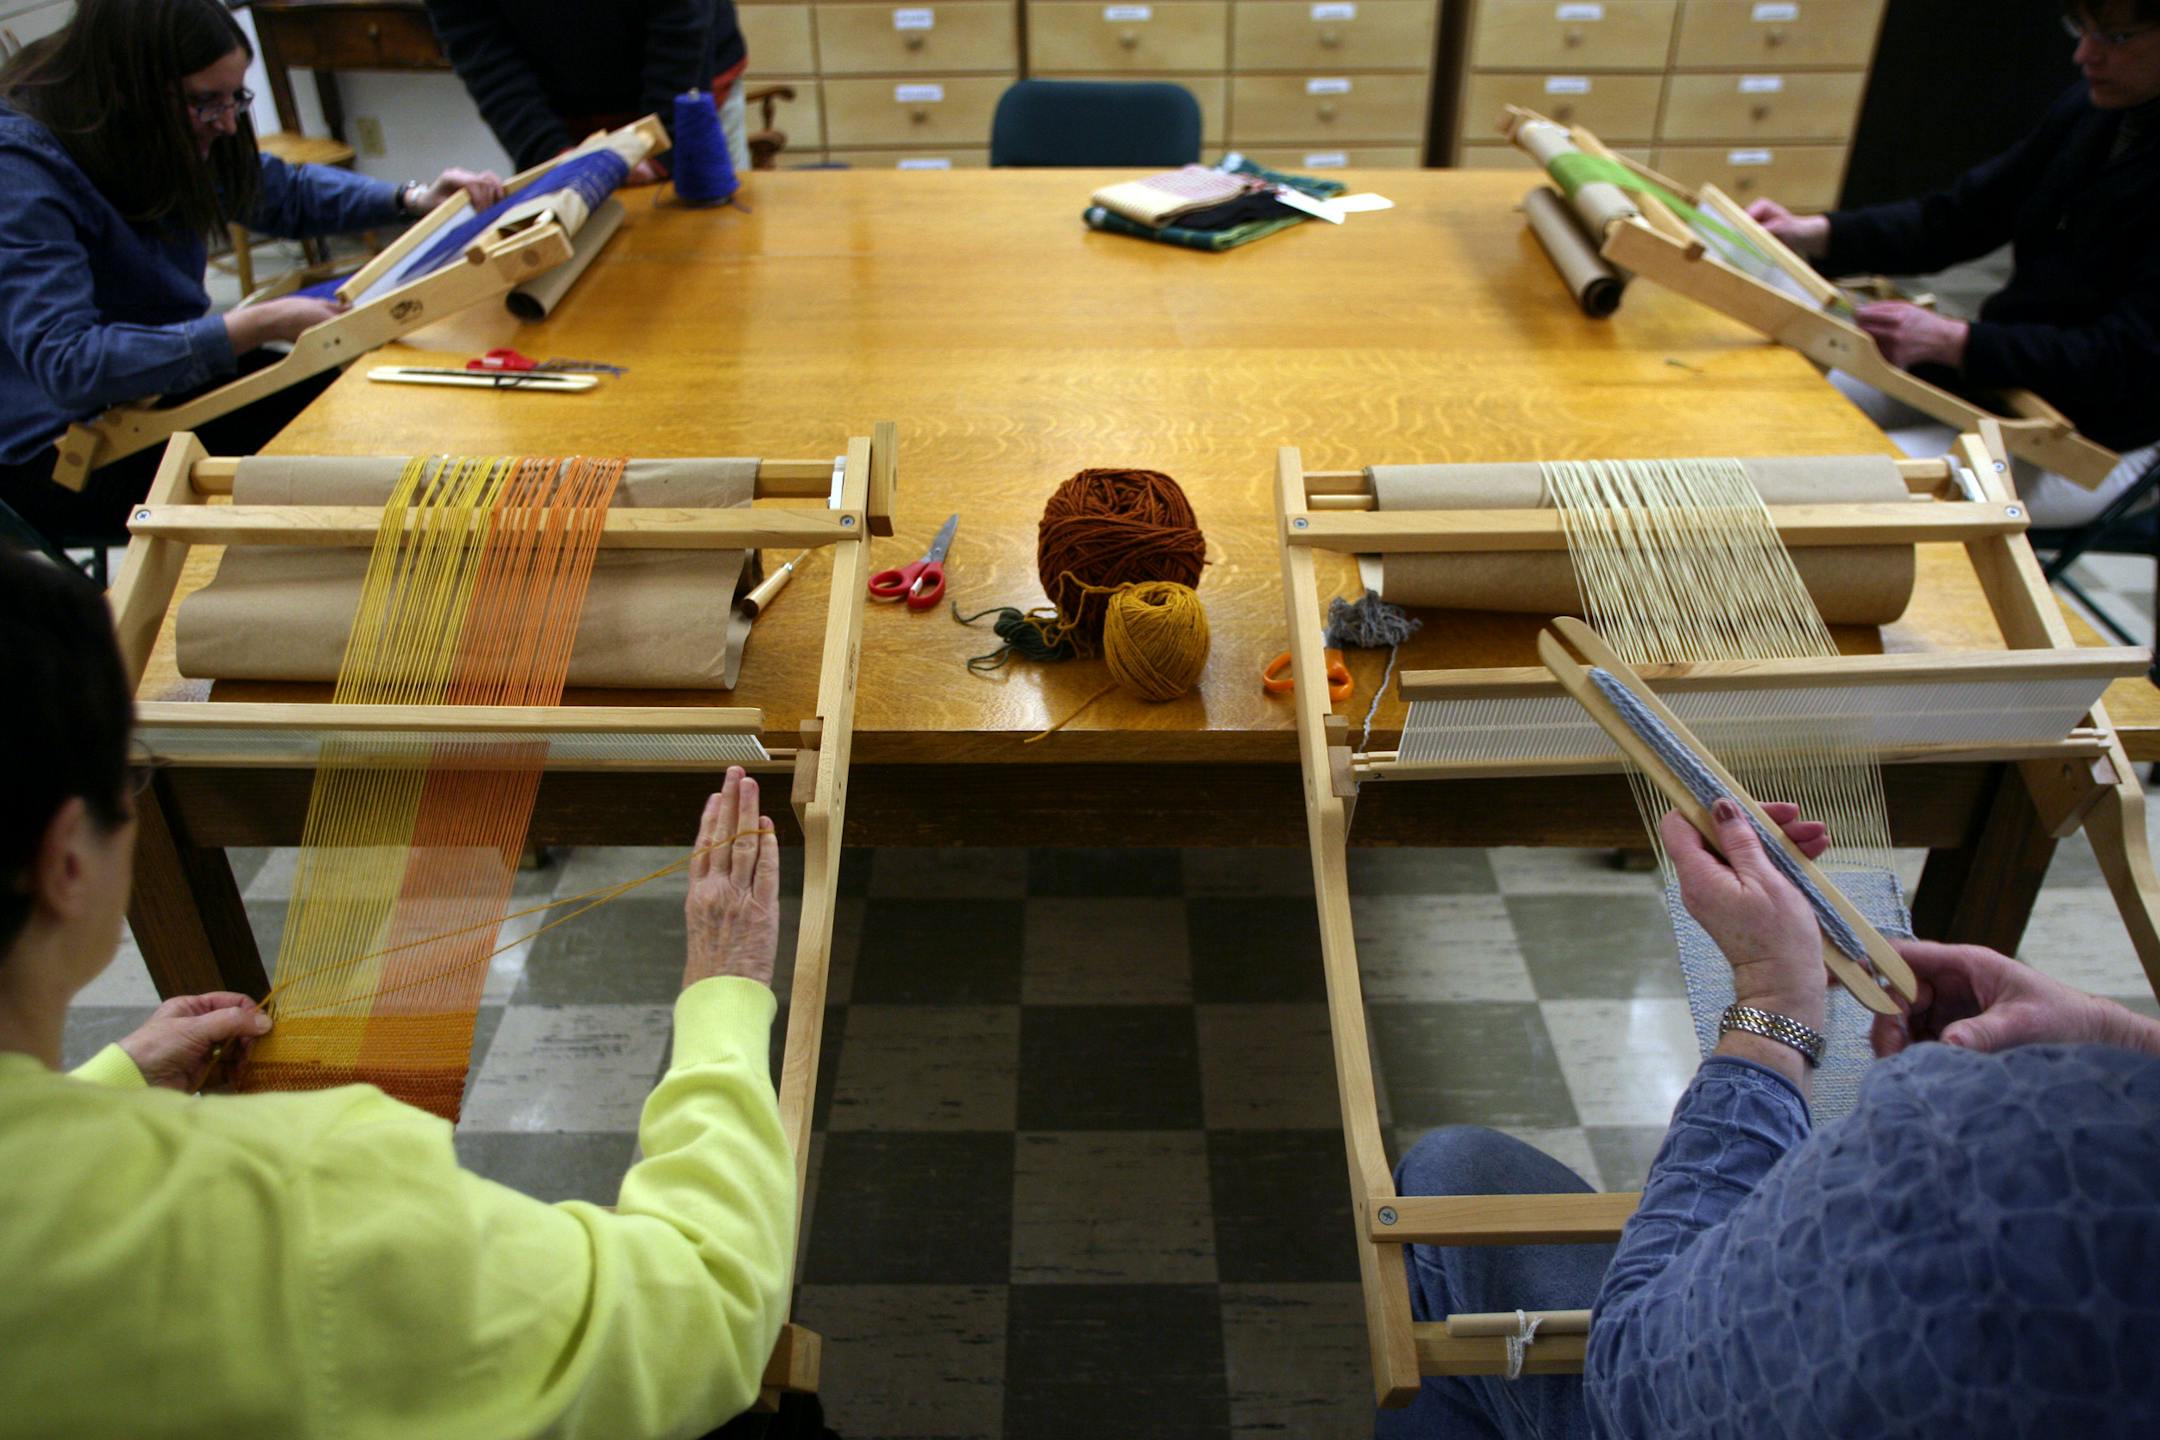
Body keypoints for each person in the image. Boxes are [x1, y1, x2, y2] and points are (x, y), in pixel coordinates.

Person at [0, 544, 797, 1438]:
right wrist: (723, 992)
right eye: (133, 780)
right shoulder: (300, 1201)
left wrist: (104, 1090)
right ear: (67, 860)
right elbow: (704, 1315)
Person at [1381, 798, 2160, 1438]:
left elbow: (1641, 1375)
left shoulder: (1996, 1157)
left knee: (1456, 1176)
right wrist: (2120, 1037)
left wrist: (1776, 999)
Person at [0, 0, 505, 544]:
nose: (224, 120)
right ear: (131, 89)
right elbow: (71, 363)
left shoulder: (159, 127)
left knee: (340, 400)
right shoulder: (22, 169)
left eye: (234, 98)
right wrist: (254, 325)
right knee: (322, 452)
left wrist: (411, 198)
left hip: (142, 401)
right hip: (58, 457)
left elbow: (277, 190)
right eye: (203, 102)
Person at [1745, 0, 2160, 527]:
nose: (2084, 55)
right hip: (1996, 384)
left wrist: (1956, 342)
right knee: (1779, 410)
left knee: (1835, 487)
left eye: (2116, 38)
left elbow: (2124, 359)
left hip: (2092, 441)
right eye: (2082, 29)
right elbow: (1961, 216)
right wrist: (1817, 234)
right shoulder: (2092, 109)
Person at [423, 0, 753, 185]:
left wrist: (655, 146)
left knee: (716, 259)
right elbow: (478, 44)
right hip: (560, 118)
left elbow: (683, 18)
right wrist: (548, 153)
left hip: (687, 92)